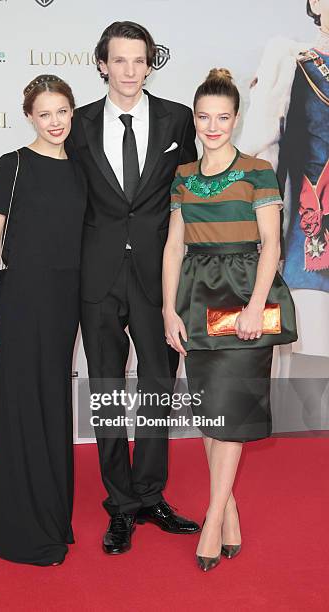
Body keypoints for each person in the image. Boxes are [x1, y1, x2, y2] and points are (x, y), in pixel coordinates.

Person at [68, 21, 200, 555]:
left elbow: (194, 187)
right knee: (104, 391)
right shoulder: (75, 124)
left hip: (156, 276)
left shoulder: (179, 119)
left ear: (151, 63)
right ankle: (119, 505)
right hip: (96, 276)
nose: (129, 71)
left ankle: (149, 494)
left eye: (139, 60)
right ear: (102, 63)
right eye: (119, 60)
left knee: (156, 389)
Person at [163, 69, 297, 571]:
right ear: (195, 120)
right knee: (210, 410)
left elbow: (271, 247)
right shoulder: (182, 176)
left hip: (244, 295)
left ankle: (213, 518)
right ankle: (231, 512)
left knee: (231, 409)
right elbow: (174, 247)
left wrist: (254, 308)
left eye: (223, 117)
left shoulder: (258, 170)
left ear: (237, 119)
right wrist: (167, 308)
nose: (213, 126)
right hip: (196, 297)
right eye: (204, 117)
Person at [0, 74, 86, 566]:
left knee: (53, 399)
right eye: (45, 113)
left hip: (66, 301)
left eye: (62, 112)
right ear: (30, 117)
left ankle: (52, 511)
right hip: (20, 296)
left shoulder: (82, 171)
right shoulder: (11, 165)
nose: (54, 122)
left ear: (72, 113)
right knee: (19, 401)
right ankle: (15, 522)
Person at [238, 0, 329, 359]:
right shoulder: (291, 64)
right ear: (316, 3)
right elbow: (261, 152)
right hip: (310, 236)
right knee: (313, 367)